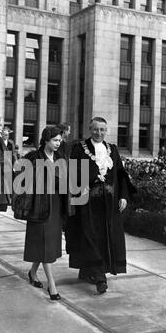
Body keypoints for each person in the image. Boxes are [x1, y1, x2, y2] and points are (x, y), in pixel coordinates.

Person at [65, 117, 136, 295]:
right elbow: (73, 172)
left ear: (107, 130)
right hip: (88, 202)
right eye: (96, 129)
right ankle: (99, 277)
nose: (99, 133)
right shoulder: (78, 148)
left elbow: (120, 173)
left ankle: (88, 270)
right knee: (89, 236)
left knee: (106, 238)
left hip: (109, 204)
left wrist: (124, 196)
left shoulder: (112, 149)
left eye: (102, 130)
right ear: (90, 129)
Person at [22, 126, 70, 300]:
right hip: (39, 206)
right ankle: (52, 285)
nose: (58, 143)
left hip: (56, 206)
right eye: (55, 140)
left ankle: (33, 272)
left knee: (47, 245)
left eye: (60, 140)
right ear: (46, 140)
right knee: (44, 244)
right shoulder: (33, 158)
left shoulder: (60, 158)